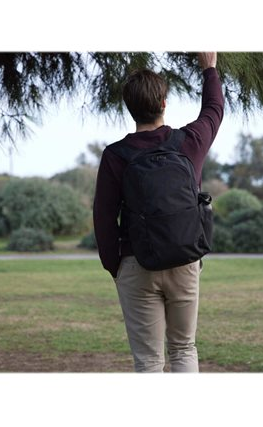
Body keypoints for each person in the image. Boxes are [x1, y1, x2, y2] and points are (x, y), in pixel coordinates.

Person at [93, 52, 224, 372]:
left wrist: (116, 267)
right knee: (183, 348)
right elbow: (214, 109)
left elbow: (104, 217)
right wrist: (209, 69)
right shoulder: (190, 142)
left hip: (136, 264)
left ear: (129, 108)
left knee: (149, 360)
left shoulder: (115, 155)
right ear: (164, 103)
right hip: (185, 261)